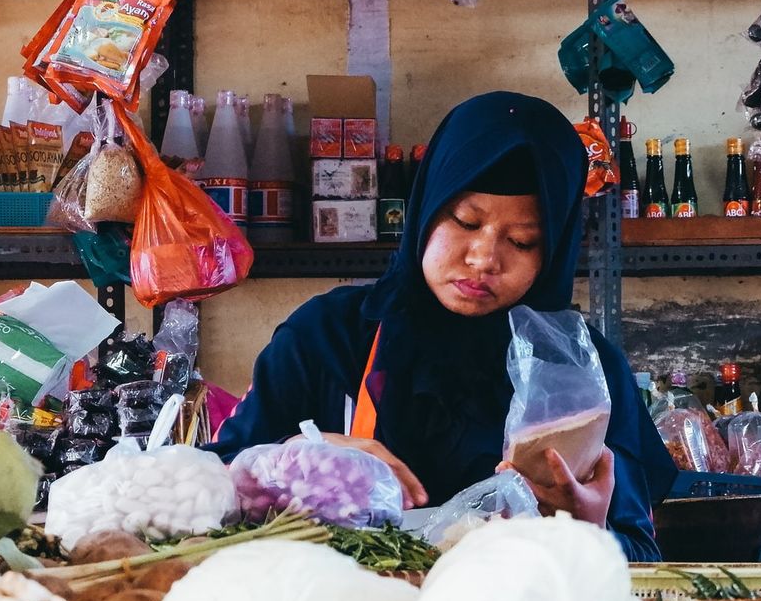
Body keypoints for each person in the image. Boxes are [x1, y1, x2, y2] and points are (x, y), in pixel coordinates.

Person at [207, 91, 678, 561]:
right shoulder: (327, 336)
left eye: (522, 240)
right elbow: (213, 487)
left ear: (554, 252)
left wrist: (589, 530)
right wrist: (300, 455)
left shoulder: (583, 379)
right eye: (465, 221)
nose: (483, 259)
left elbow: (640, 555)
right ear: (426, 209)